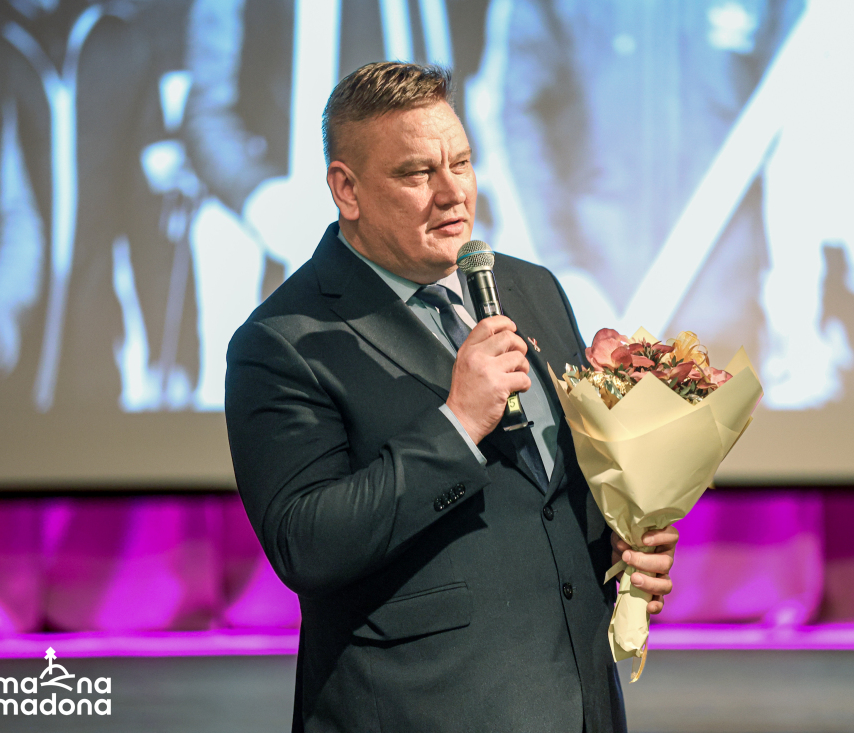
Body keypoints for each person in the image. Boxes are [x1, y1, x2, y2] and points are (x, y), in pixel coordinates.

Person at [224, 62, 679, 732]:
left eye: (460, 163)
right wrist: (458, 422)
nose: (452, 193)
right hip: (424, 709)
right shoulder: (284, 341)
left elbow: (550, 493)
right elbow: (306, 543)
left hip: (577, 699)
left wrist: (622, 542)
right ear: (346, 189)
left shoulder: (530, 287)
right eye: (417, 173)